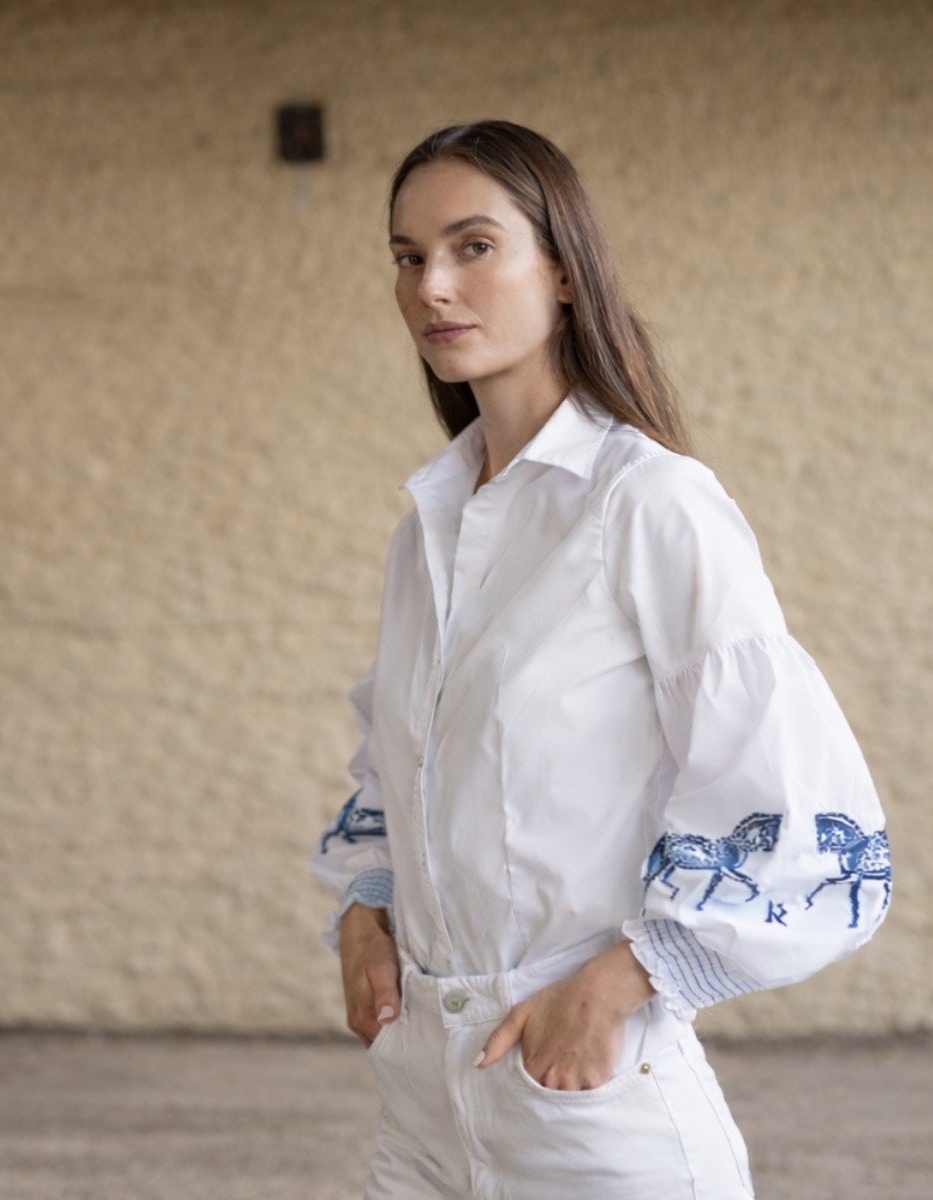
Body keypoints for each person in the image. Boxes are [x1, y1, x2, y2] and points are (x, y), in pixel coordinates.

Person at [307, 120, 893, 1200]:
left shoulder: (651, 506)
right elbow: (401, 761)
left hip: (585, 1097)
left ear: (565, 272)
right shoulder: (432, 520)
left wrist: (629, 979)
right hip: (422, 1104)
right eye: (406, 256)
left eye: (472, 247)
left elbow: (796, 804)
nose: (431, 285)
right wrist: (366, 904)